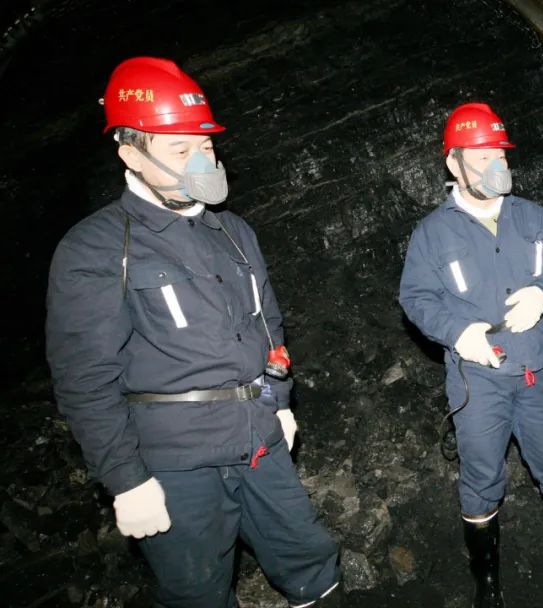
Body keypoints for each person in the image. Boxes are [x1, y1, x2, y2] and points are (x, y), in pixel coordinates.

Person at [45, 57, 340, 607]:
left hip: (259, 439)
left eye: (205, 146)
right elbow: (85, 380)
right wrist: (126, 480)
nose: (202, 161)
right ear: (131, 154)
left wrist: (278, 401)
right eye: (180, 151)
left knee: (311, 561)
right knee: (197, 593)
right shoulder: (97, 248)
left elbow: (269, 326)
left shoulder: (234, 231)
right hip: (176, 464)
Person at [398, 102, 543, 607]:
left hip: (534, 370)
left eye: (499, 155)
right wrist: (458, 332)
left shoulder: (533, 217)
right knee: (482, 478)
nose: (495, 166)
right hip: (477, 379)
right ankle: (487, 582)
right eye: (482, 157)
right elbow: (416, 297)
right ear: (454, 163)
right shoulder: (432, 233)